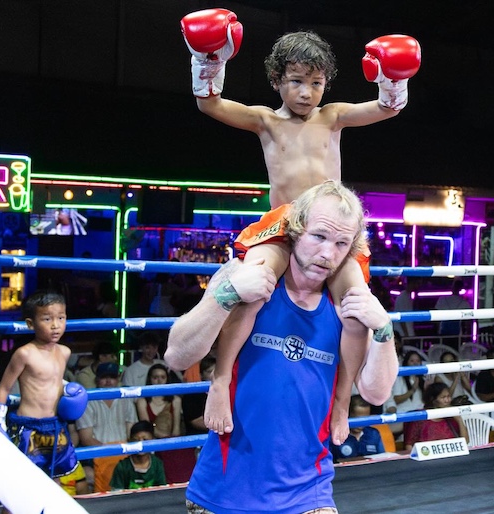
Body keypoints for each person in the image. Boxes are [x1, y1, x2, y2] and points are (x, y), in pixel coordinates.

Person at [180, 8, 420, 445]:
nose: (307, 92)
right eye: (296, 81)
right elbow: (209, 103)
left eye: (315, 82)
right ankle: (219, 383)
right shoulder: (266, 121)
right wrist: (208, 60)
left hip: (332, 229)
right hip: (285, 224)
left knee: (357, 307)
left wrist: (394, 77)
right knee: (250, 287)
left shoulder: (334, 117)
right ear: (277, 81)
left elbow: (387, 108)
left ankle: (343, 403)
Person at [165, 181, 398, 513]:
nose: (327, 254)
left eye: (341, 243)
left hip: (307, 494)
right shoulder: (247, 276)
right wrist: (226, 294)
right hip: (223, 494)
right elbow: (176, 355)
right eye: (319, 236)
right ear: (296, 230)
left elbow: (376, 395)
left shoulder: (346, 305)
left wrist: (384, 330)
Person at [0, 291, 87, 513]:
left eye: (61, 317)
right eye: (47, 318)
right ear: (31, 323)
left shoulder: (65, 352)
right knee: (19, 491)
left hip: (55, 425)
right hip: (28, 428)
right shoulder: (24, 354)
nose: (55, 325)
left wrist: (70, 398)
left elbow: (55, 384)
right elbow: (3, 388)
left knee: (55, 484)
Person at [76, 362, 139, 493]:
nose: (109, 381)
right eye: (104, 377)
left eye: (112, 377)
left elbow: (131, 432)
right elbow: (86, 439)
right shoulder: (88, 401)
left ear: (118, 379)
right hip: (96, 454)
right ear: (97, 379)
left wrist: (122, 451)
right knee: (87, 474)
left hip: (123, 452)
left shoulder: (125, 398)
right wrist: (111, 452)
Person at [403, 382, 469, 450]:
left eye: (448, 396)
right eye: (443, 397)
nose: (447, 400)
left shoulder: (452, 417)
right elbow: (409, 445)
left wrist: (459, 419)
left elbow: (465, 442)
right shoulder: (420, 417)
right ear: (433, 399)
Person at [110, 421, 167, 491]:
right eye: (136, 440)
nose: (140, 444)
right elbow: (116, 495)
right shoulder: (122, 466)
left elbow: (162, 492)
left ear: (152, 441)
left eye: (145, 440)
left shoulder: (157, 464)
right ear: (129, 441)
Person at [330, 395, 385, 462]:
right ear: (348, 415)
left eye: (365, 419)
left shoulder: (373, 434)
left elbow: (382, 460)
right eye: (357, 419)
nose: (360, 425)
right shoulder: (337, 435)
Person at [384, 350, 426, 438]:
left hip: (420, 415)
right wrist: (412, 390)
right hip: (405, 416)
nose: (415, 363)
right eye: (412, 361)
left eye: (418, 361)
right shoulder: (400, 377)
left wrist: (427, 389)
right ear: (406, 363)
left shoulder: (422, 379)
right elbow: (397, 400)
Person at [182, 356, 215, 436]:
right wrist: (221, 424)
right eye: (209, 371)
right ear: (201, 375)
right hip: (198, 439)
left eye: (216, 371)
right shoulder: (192, 395)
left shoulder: (227, 392)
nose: (213, 375)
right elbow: (196, 421)